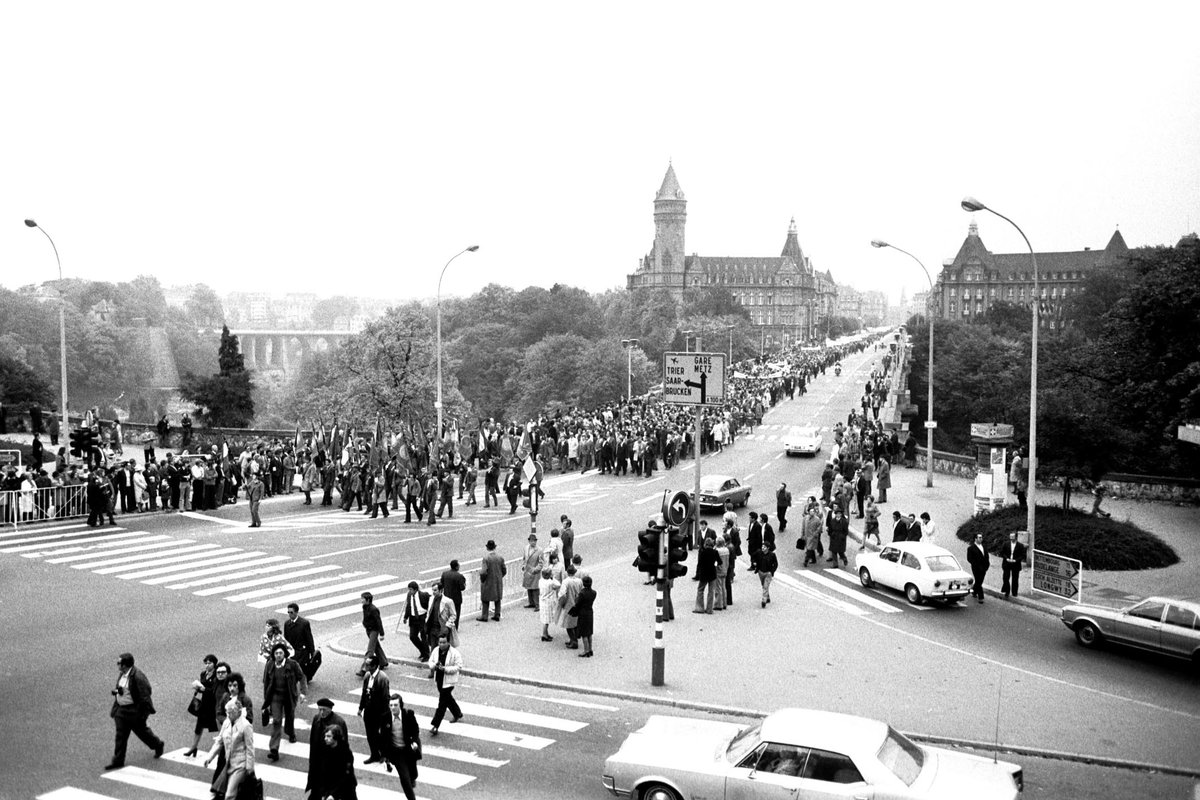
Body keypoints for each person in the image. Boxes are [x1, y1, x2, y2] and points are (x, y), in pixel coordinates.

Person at [107, 652, 164, 770]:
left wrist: (143, 714)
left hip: (134, 711)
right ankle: (118, 760)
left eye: (119, 663)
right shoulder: (122, 674)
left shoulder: (137, 676)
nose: (117, 665)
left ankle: (157, 744)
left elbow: (145, 694)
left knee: (142, 733)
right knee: (120, 736)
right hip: (121, 710)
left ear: (125, 665)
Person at [261, 642, 307, 761]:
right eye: (276, 653)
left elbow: (302, 677)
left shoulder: (292, 664)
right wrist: (266, 701)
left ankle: (291, 733)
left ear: (284, 654)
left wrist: (302, 693)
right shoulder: (270, 665)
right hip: (275, 696)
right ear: (273, 655)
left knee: (290, 716)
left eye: (280, 653)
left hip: (289, 696)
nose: (278, 655)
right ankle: (274, 749)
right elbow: (266, 682)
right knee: (276, 720)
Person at [203, 699, 254, 800]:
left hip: (240, 765)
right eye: (227, 712)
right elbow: (219, 741)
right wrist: (209, 757)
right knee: (227, 792)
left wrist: (250, 769)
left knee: (229, 795)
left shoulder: (246, 726)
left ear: (237, 712)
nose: (227, 714)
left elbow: (250, 749)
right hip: (228, 764)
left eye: (229, 712)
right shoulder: (226, 723)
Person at [383, 693, 421, 800]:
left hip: (409, 749)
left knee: (413, 773)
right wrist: (386, 758)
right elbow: (383, 738)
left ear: (400, 705)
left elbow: (415, 730)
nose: (393, 708)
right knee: (404, 778)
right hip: (396, 752)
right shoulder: (385, 718)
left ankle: (412, 778)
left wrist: (414, 741)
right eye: (391, 705)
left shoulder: (408, 715)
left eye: (395, 705)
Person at [307, 723, 358, 800]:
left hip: (344, 788)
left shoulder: (345, 753)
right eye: (325, 736)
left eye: (328, 736)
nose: (325, 738)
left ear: (336, 737)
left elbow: (345, 776)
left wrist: (334, 794)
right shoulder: (325, 748)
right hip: (328, 786)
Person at [427, 633, 464, 736]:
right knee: (448, 699)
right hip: (439, 679)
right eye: (440, 642)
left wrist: (446, 669)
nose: (441, 644)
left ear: (448, 642)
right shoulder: (435, 650)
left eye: (444, 642)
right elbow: (430, 661)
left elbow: (459, 666)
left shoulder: (454, 653)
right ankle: (457, 713)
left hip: (448, 682)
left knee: (442, 704)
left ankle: (435, 725)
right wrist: (434, 666)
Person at [184, 654, 220, 758]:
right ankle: (193, 747)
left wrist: (204, 689)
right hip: (204, 704)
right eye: (206, 663)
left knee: (218, 724)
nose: (207, 665)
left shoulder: (216, 675)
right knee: (199, 726)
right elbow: (201, 687)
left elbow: (215, 690)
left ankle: (224, 744)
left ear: (214, 664)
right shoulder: (203, 674)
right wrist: (197, 687)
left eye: (210, 663)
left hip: (213, 704)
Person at [358, 652, 391, 765]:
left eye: (368, 665)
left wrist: (385, 714)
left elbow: (386, 697)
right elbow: (364, 692)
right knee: (370, 734)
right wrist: (361, 707)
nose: (366, 667)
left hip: (379, 711)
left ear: (375, 666)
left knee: (379, 734)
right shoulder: (367, 676)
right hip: (368, 709)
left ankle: (384, 754)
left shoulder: (382, 678)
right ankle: (374, 754)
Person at [284, 603, 317, 679]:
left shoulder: (304, 623)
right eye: (288, 612)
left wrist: (312, 652)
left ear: (296, 612)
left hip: (302, 651)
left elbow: (309, 638)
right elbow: (286, 639)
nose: (289, 614)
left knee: (301, 671)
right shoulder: (287, 624)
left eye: (291, 612)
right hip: (292, 651)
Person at [358, 591, 386, 677]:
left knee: (370, 650)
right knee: (376, 646)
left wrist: (382, 633)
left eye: (363, 599)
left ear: (368, 600)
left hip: (374, 630)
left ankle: (364, 669)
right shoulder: (364, 607)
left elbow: (378, 621)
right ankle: (383, 661)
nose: (361, 600)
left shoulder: (374, 609)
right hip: (368, 630)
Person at [400, 581, 431, 661]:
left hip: (422, 617)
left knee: (423, 636)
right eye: (409, 589)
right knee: (412, 636)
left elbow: (430, 603)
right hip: (413, 618)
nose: (410, 591)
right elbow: (409, 606)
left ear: (416, 589)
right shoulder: (409, 595)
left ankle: (427, 654)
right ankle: (422, 650)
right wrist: (405, 617)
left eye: (411, 589)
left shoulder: (423, 595)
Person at [478, 539, 506, 622]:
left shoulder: (486, 558)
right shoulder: (500, 557)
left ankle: (484, 616)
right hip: (497, 581)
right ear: (494, 547)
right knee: (497, 598)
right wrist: (499, 576)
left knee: (485, 599)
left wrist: (482, 579)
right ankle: (497, 614)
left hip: (488, 581)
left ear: (487, 548)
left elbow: (483, 572)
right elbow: (504, 570)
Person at [556, 564, 584, 649]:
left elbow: (562, 594)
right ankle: (573, 640)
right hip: (577, 603)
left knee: (568, 625)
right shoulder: (579, 581)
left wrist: (561, 603)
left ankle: (573, 640)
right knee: (575, 623)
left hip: (569, 604)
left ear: (567, 572)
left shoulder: (566, 581)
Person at [569, 574, 596, 657]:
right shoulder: (594, 593)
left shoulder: (582, 593)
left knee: (584, 633)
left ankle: (586, 650)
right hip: (590, 612)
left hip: (583, 613)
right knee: (589, 632)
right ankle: (590, 649)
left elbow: (578, 603)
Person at [692, 537, 720, 614]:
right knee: (711, 592)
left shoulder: (702, 552)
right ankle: (709, 609)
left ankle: (700, 608)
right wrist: (715, 564)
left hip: (704, 574)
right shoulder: (715, 552)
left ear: (705, 544)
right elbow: (720, 562)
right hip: (712, 574)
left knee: (700, 590)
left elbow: (699, 564)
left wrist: (698, 574)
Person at [999, 531, 1028, 598]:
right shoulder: (1006, 544)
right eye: (1010, 537)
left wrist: (1016, 560)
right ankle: (1007, 591)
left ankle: (1014, 592)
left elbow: (1022, 555)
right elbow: (1002, 552)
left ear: (1016, 537)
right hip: (1007, 563)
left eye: (1013, 537)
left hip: (1015, 564)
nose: (1011, 539)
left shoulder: (1020, 546)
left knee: (1015, 579)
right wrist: (1006, 558)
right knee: (1005, 578)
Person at [440, 559, 467, 628]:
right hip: (456, 599)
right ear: (457, 567)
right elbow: (462, 588)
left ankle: (447, 627)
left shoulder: (445, 574)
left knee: (447, 614)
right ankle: (454, 628)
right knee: (455, 614)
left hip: (447, 597)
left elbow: (441, 584)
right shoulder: (459, 576)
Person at [538, 567, 561, 641]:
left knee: (545, 618)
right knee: (546, 620)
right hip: (548, 602)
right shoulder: (550, 583)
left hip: (542, 601)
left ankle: (546, 633)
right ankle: (544, 634)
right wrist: (553, 578)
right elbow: (558, 584)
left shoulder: (540, 581)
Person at [522, 534, 544, 609]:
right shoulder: (526, 548)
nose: (533, 543)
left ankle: (537, 605)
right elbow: (524, 558)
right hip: (528, 571)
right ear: (529, 541)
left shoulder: (539, 550)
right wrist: (523, 566)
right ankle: (531, 603)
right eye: (532, 541)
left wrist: (536, 569)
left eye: (534, 541)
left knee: (535, 589)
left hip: (535, 572)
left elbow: (541, 563)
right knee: (529, 587)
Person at [967, 533, 990, 604]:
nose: (981, 539)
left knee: (980, 581)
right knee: (979, 581)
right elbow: (969, 559)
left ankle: (974, 591)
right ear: (975, 539)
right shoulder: (971, 548)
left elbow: (986, 557)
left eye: (981, 537)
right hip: (976, 568)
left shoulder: (984, 547)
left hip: (984, 568)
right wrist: (976, 565)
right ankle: (981, 597)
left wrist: (987, 565)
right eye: (979, 537)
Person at [756, 540, 778, 608]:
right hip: (761, 572)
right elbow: (754, 558)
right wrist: (755, 564)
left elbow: (776, 564)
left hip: (768, 573)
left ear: (768, 548)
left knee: (765, 586)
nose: (763, 548)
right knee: (763, 585)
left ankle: (763, 601)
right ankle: (767, 597)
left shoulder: (772, 555)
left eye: (764, 547)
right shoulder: (759, 553)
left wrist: (772, 571)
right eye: (762, 546)